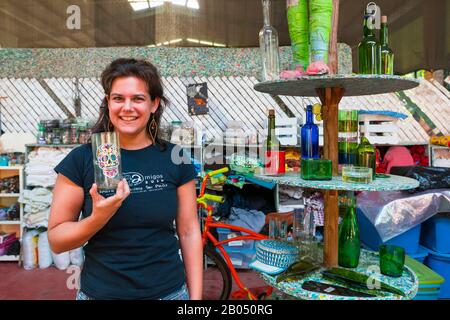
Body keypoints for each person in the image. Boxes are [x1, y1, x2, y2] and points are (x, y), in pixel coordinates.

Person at [48, 58, 203, 300]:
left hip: (169, 293)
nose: (127, 107)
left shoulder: (176, 157)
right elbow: (57, 241)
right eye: (118, 98)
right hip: (100, 293)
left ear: (154, 104)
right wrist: (98, 218)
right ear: (108, 103)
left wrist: (195, 299)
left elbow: (189, 231)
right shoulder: (81, 159)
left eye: (138, 99)